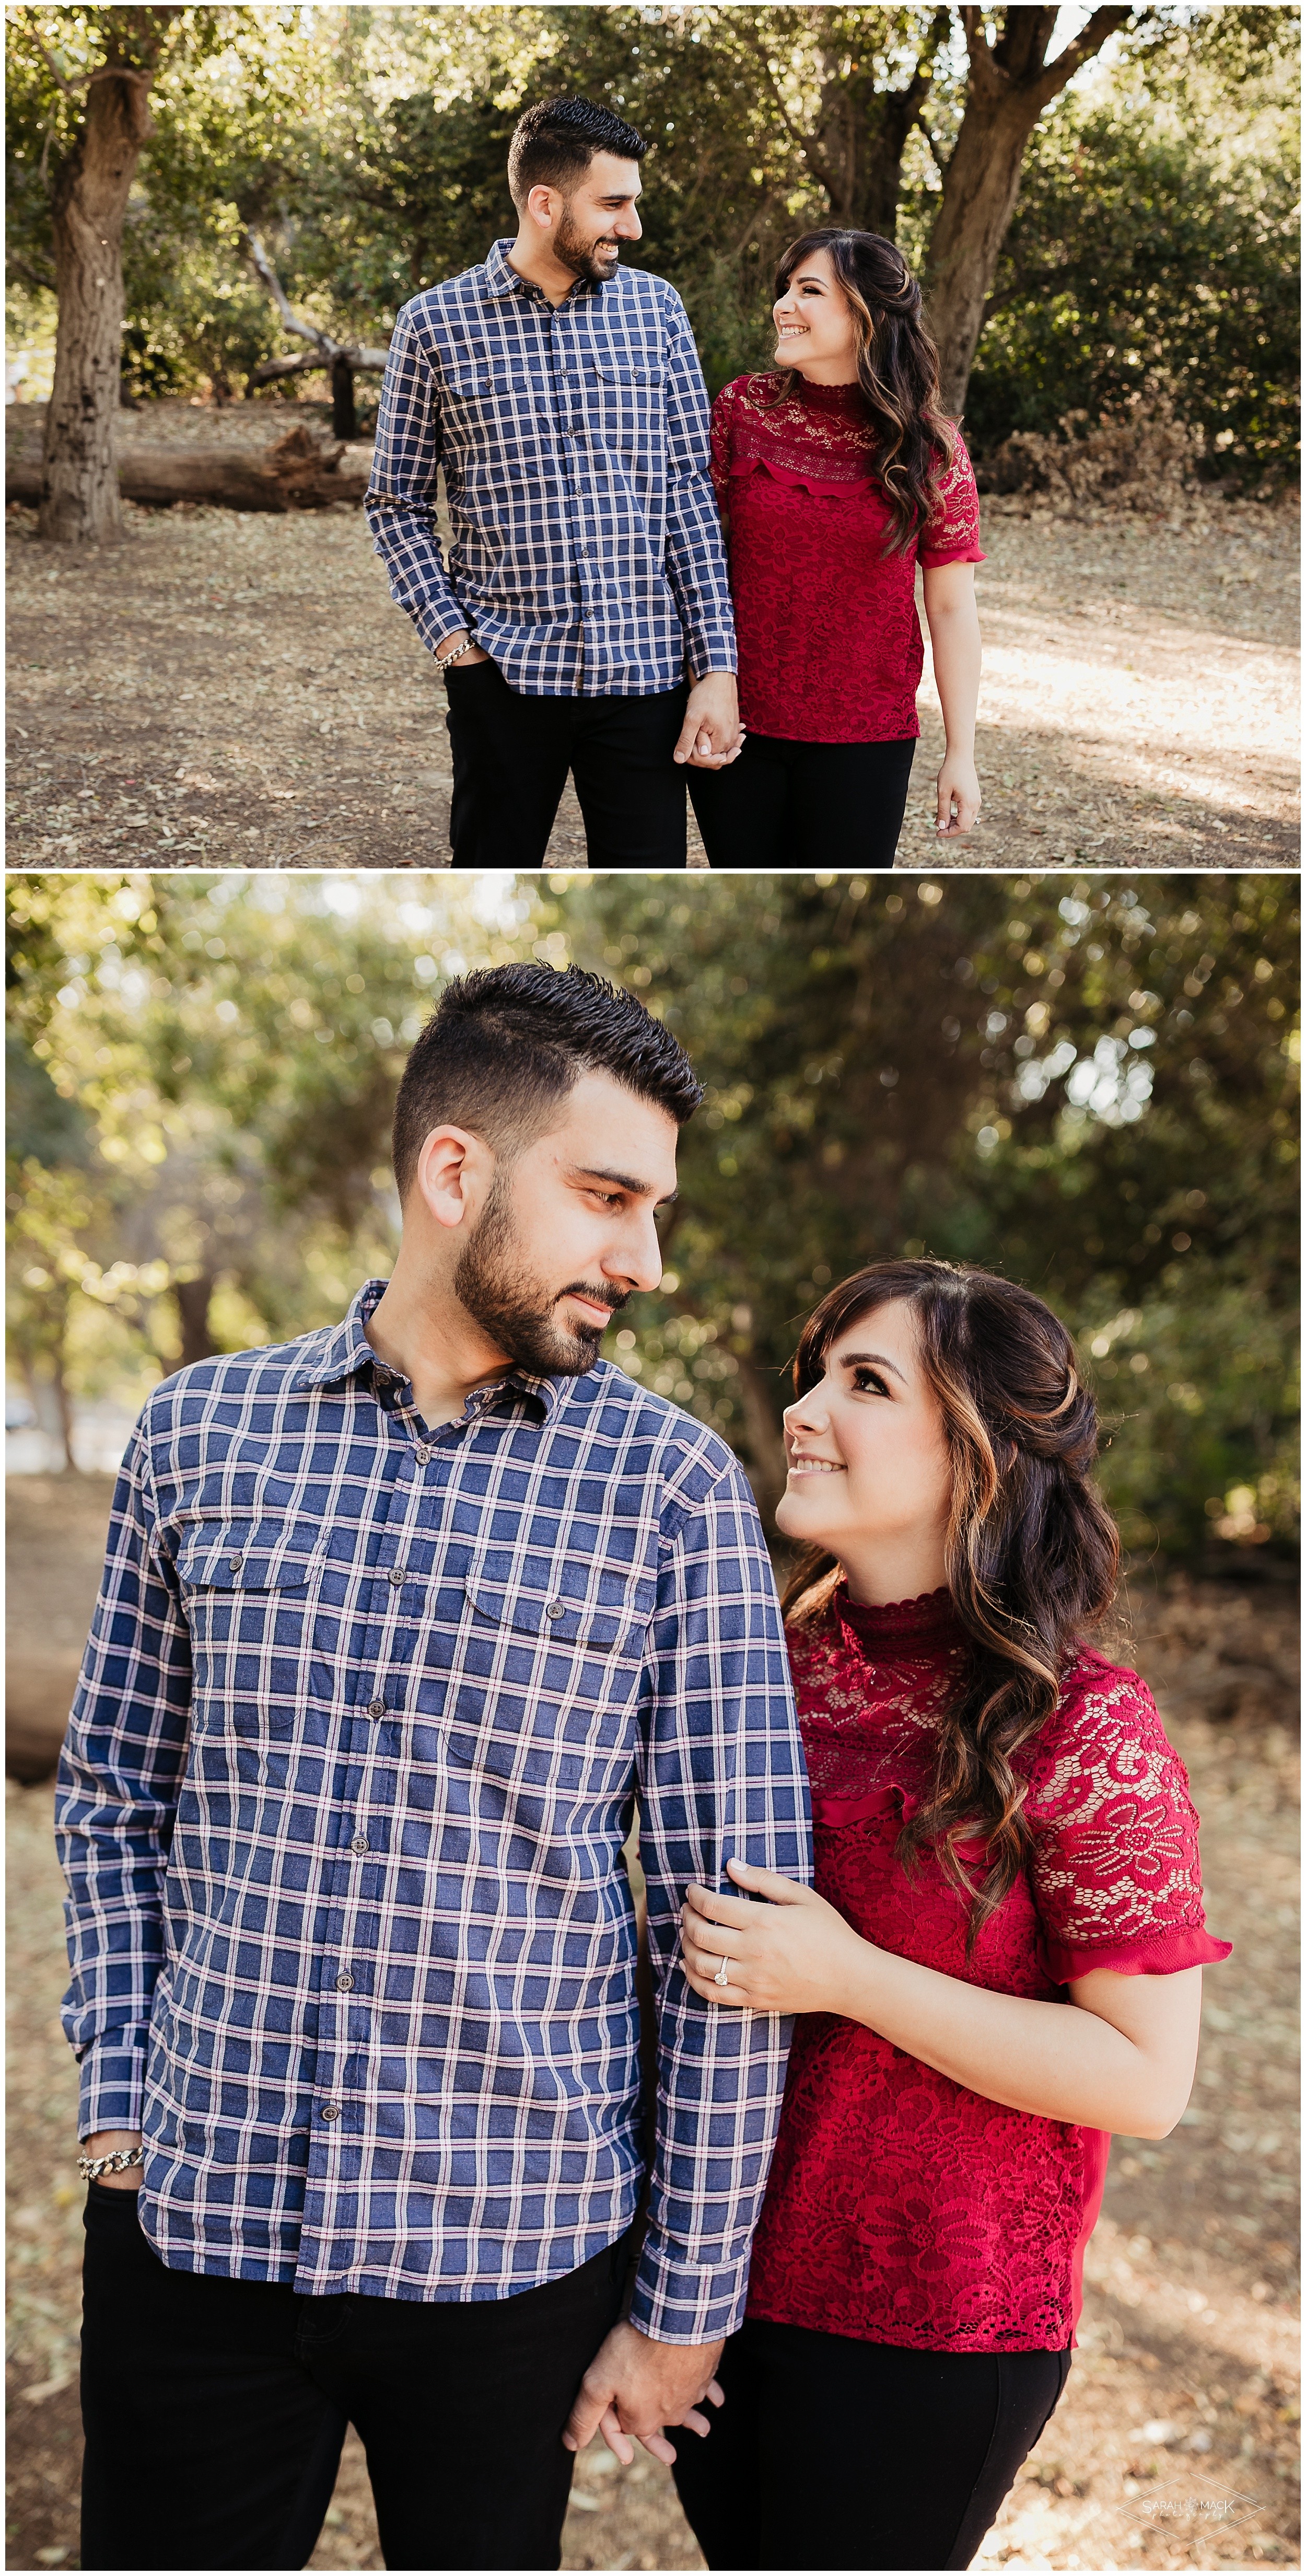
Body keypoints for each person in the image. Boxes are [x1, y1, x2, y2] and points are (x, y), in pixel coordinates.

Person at [56, 964, 812, 2573]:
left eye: (656, 1208)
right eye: (606, 1195)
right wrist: (118, 2107)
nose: (644, 1258)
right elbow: (117, 1784)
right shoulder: (199, 1432)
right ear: (452, 1169)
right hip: (191, 2232)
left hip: (511, 2261)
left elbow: (730, 1925)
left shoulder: (670, 1488)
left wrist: (683, 2306)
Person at [671, 1260, 1230, 2571]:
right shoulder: (766, 1654)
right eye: (817, 1372)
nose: (805, 1409)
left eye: (865, 1384)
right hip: (710, 2290)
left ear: (979, 1452)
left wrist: (848, 1975)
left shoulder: (1086, 1723)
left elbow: (1146, 2079)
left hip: (931, 2330)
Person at [364, 96, 742, 867]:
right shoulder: (433, 325)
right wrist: (454, 644)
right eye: (614, 204)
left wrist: (717, 667)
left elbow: (687, 493)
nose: (632, 227)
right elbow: (394, 503)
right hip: (502, 675)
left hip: (645, 676)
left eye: (633, 203)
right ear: (544, 203)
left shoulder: (656, 310)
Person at [687, 230, 985, 867]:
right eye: (785, 289)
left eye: (810, 290)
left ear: (867, 315)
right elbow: (695, 562)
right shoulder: (742, 409)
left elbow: (952, 610)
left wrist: (960, 751)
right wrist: (702, 680)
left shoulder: (931, 449)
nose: (784, 305)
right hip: (738, 725)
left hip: (866, 737)